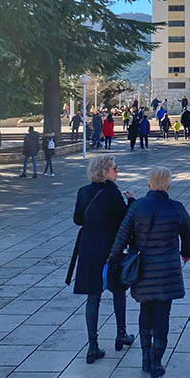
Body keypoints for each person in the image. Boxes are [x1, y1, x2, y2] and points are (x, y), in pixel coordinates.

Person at [109, 167, 190, 378]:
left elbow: (122, 235)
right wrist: (186, 253)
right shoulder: (177, 208)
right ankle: (157, 361)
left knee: (145, 311)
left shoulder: (137, 207)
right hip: (167, 272)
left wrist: (113, 260)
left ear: (148, 186)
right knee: (162, 316)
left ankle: (146, 357)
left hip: (143, 270)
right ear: (168, 186)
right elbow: (189, 232)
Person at [70, 155, 136, 363]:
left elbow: (78, 219)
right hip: (110, 249)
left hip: (89, 249)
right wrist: (131, 200)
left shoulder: (83, 191)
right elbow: (125, 220)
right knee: (118, 291)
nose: (117, 171)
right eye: (115, 168)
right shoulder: (112, 193)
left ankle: (93, 345)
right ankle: (121, 334)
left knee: (93, 297)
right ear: (105, 171)